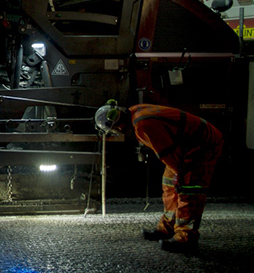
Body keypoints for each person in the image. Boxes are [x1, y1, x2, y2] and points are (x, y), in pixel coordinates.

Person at [95, 100, 224, 253]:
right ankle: (167, 228)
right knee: (169, 186)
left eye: (114, 129)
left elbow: (168, 152)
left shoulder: (142, 125)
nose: (116, 132)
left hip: (202, 145)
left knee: (187, 189)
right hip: (187, 145)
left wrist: (179, 174)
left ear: (118, 123)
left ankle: (186, 238)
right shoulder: (135, 112)